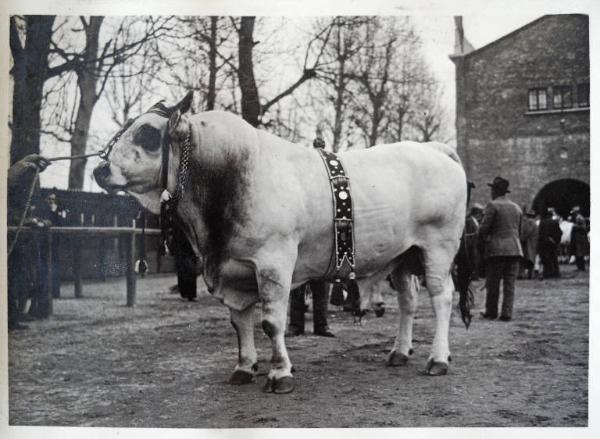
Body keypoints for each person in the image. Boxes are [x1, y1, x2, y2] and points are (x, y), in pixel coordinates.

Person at [287, 134, 334, 337]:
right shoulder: (303, 181)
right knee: (297, 287)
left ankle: (320, 326)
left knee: (321, 288)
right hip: (303, 244)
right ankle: (296, 326)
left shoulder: (329, 184)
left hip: (322, 243)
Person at [7, 154, 52, 330]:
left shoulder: (26, 192)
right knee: (12, 278)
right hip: (12, 238)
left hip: (21, 240)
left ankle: (15, 315)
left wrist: (34, 221)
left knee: (22, 277)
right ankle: (11, 317)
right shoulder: (12, 184)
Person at [478, 176, 523, 321]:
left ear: (495, 190)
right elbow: (519, 230)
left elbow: (484, 228)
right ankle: (507, 313)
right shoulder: (516, 207)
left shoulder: (492, 205)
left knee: (493, 282)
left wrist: (481, 236)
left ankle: (491, 312)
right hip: (515, 248)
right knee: (510, 283)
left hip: (497, 249)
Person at [36, 191, 65, 298]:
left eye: (53, 199)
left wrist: (54, 212)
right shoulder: (42, 210)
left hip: (55, 242)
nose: (51, 201)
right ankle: (44, 292)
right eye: (49, 199)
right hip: (44, 241)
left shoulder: (58, 210)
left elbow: (60, 223)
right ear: (45, 200)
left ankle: (55, 292)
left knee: (55, 265)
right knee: (44, 265)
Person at [537, 207, 563, 279]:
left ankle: (547, 273)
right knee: (554, 258)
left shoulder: (542, 222)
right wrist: (556, 240)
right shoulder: (555, 222)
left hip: (544, 243)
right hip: (553, 243)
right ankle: (555, 273)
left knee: (546, 259)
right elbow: (560, 232)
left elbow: (540, 233)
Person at [519, 206, 538, 279]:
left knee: (525, 259)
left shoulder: (530, 222)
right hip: (533, 243)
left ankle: (522, 274)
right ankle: (530, 274)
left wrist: (522, 238)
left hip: (528, 244)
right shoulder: (534, 222)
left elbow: (526, 232)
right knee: (531, 259)